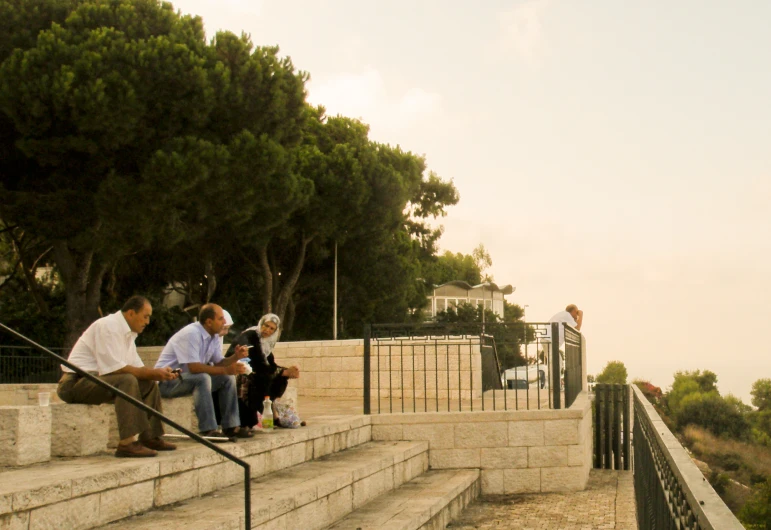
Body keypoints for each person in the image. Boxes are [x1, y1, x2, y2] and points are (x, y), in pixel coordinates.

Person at [57, 296, 178, 458]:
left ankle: (150, 437)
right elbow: (114, 370)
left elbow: (139, 368)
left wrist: (160, 374)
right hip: (75, 383)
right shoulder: (108, 326)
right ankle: (127, 444)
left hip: (95, 379)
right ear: (130, 313)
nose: (147, 322)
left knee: (148, 383)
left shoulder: (128, 335)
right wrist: (154, 373)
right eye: (145, 316)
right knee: (126, 380)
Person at [155, 303, 253, 438]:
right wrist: (226, 370)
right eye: (220, 319)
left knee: (228, 378)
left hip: (187, 378)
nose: (224, 322)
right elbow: (194, 367)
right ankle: (208, 429)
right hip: (167, 382)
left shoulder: (213, 336)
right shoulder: (192, 334)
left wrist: (236, 356)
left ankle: (231, 426)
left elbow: (219, 362)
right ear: (208, 322)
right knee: (203, 377)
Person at [225, 313, 300, 428]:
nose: (267, 330)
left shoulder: (266, 343)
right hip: (235, 369)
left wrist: (285, 371)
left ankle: (270, 413)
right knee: (259, 379)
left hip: (253, 370)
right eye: (266, 325)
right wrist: (282, 371)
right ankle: (250, 421)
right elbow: (255, 360)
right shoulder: (251, 335)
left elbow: (269, 363)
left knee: (278, 378)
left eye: (272, 329)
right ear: (261, 323)